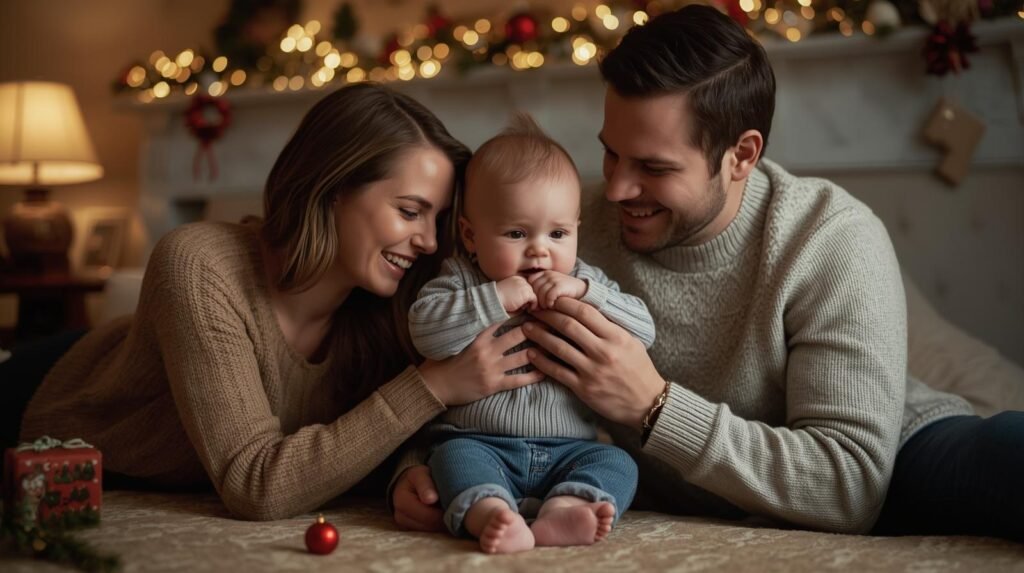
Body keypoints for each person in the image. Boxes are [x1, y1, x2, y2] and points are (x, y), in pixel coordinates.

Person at [392, 6, 1024, 542]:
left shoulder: (829, 237)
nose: (615, 188)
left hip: (894, 453)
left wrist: (653, 407)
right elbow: (469, 368)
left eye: (653, 167)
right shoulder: (555, 225)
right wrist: (422, 467)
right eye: (609, 152)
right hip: (595, 470)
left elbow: (849, 485)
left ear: (741, 155)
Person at [8, 83, 547, 521]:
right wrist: (433, 383)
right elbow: (255, 485)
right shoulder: (199, 265)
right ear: (333, 187)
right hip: (41, 397)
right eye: (410, 211)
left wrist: (410, 473)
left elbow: (404, 432)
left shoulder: (399, 302)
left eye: (437, 218)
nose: (430, 241)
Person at [400, 114, 655, 553]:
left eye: (557, 233)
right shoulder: (462, 280)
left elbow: (644, 330)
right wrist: (495, 298)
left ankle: (564, 509)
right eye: (516, 233)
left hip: (570, 449)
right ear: (471, 236)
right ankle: (492, 513)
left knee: (618, 463)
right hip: (480, 442)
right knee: (452, 461)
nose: (540, 249)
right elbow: (425, 330)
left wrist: (586, 292)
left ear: (576, 230)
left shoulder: (583, 279)